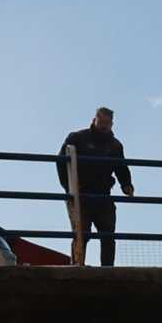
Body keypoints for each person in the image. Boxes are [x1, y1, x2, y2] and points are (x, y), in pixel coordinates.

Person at [58, 106, 135, 267]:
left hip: (103, 195)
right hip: (80, 193)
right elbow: (61, 161)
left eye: (107, 123)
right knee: (81, 234)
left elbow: (121, 167)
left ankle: (107, 269)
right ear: (94, 120)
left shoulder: (115, 146)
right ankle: (77, 266)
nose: (104, 125)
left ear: (112, 124)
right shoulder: (77, 138)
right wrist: (69, 187)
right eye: (101, 121)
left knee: (108, 234)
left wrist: (126, 184)